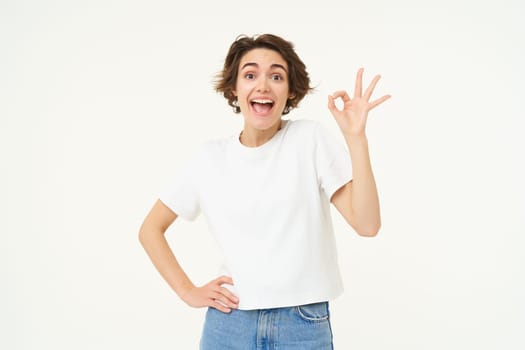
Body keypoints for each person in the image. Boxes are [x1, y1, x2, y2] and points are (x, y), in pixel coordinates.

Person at [139, 33, 390, 349]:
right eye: (250, 74)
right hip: (229, 324)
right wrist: (187, 291)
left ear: (290, 91)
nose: (263, 85)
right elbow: (150, 230)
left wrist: (356, 139)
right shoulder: (208, 158)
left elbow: (367, 225)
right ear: (235, 88)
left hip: (302, 325)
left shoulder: (310, 139)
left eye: (276, 76)